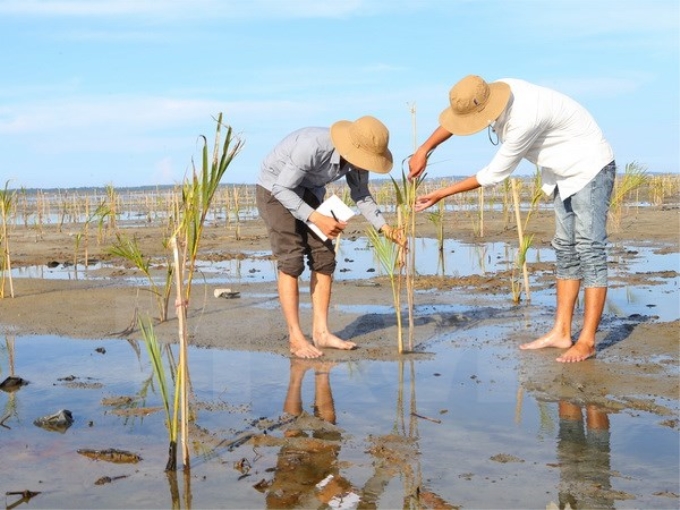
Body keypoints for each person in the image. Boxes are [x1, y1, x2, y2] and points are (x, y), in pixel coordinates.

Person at [409, 75, 616, 363]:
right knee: (565, 250)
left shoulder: (525, 118)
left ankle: (588, 341)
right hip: (561, 172)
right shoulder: (488, 90)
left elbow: (493, 174)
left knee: (589, 249)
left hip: (590, 168)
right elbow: (456, 118)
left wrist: (440, 194)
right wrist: (424, 149)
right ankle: (561, 332)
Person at [256, 115, 403, 359]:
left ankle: (321, 332)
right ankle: (295, 337)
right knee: (291, 259)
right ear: (352, 147)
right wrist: (317, 218)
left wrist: (385, 228)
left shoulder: (358, 161)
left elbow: (361, 195)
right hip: (274, 189)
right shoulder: (313, 146)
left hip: (309, 191)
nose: (365, 165)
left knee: (325, 256)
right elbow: (283, 189)